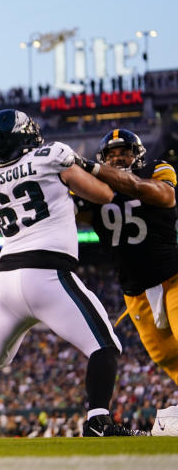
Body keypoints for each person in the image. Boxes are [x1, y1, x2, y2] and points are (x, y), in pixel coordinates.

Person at [0, 109, 134, 439]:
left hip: (6, 279)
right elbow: (103, 195)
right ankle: (98, 420)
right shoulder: (50, 157)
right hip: (47, 272)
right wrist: (78, 169)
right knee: (105, 346)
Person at [73, 129, 178, 434]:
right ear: (102, 158)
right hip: (135, 291)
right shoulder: (92, 187)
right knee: (165, 355)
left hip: (172, 276)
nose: (118, 157)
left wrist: (97, 173)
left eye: (125, 152)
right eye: (111, 154)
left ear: (138, 155)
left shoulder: (156, 169)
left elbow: (165, 195)